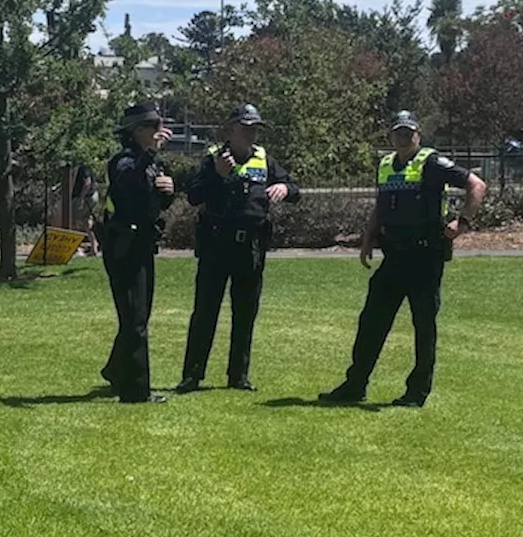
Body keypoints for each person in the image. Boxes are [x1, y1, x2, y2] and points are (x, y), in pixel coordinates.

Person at [321, 110, 487, 408]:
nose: (403, 137)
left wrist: (462, 222)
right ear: (391, 135)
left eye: (408, 132)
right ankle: (355, 384)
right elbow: (381, 205)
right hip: (394, 257)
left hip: (425, 257)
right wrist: (367, 238)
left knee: (423, 325)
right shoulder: (386, 165)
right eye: (398, 132)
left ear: (418, 135)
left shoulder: (433, 163)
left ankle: (417, 391)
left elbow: (477, 185)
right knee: (371, 320)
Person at [175, 104, 300, 394]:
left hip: (251, 247)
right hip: (217, 245)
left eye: (254, 128)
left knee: (245, 313)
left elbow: (293, 187)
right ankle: (192, 376)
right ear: (230, 130)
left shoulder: (263, 158)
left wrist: (285, 188)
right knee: (205, 312)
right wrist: (218, 175)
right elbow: (194, 196)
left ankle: (238, 375)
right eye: (245, 128)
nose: (251, 133)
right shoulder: (213, 159)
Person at [96, 103, 175, 404]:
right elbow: (127, 181)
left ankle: (116, 370)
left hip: (143, 244)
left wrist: (168, 190)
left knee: (138, 316)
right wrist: (151, 155)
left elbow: (150, 201)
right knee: (135, 320)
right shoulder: (123, 161)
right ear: (136, 131)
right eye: (153, 126)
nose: (159, 131)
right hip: (123, 247)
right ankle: (136, 391)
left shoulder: (151, 163)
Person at [70, 162, 99, 256]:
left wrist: (81, 198)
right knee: (86, 222)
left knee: (72, 220)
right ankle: (94, 248)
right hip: (91, 196)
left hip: (86, 197)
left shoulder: (83, 168)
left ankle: (75, 249)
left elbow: (87, 182)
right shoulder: (80, 168)